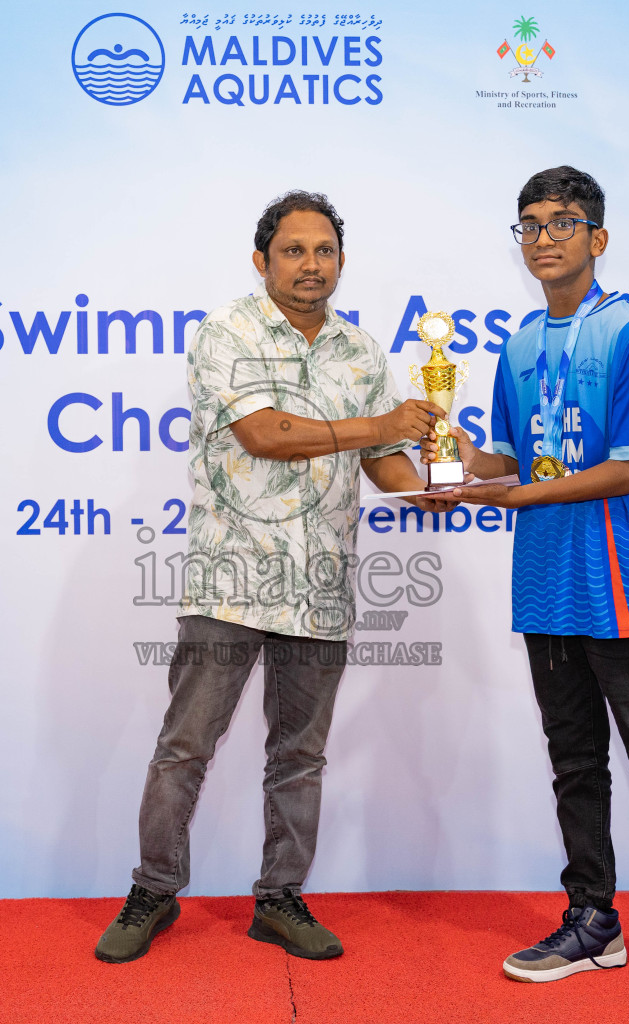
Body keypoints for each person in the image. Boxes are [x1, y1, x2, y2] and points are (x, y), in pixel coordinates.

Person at [95, 191, 443, 964]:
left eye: (324, 251)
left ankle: (279, 899)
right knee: (185, 748)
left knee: (300, 757)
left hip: (320, 587)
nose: (310, 264)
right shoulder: (228, 331)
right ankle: (153, 891)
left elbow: (384, 463)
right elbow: (265, 434)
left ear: (341, 262)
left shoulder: (361, 351)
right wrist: (380, 427)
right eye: (293, 250)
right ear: (263, 260)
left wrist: (438, 482)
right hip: (230, 581)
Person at [425, 167, 629, 1010]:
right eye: (529, 224)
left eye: (562, 222)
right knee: (573, 761)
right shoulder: (519, 345)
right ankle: (594, 917)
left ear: (597, 238)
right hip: (545, 580)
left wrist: (519, 496)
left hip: (619, 583)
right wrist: (454, 458)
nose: (543, 238)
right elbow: (511, 458)